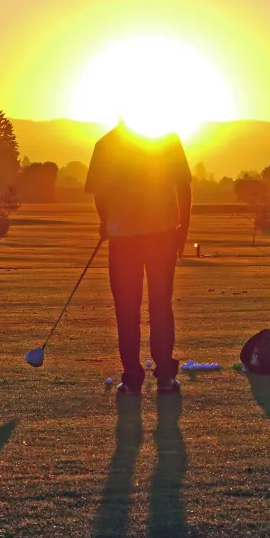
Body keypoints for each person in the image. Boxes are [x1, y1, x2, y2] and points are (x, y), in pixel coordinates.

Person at [85, 121, 192, 395]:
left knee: (127, 310)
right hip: (162, 235)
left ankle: (133, 378)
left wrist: (106, 221)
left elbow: (100, 196)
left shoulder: (106, 144)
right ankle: (165, 378)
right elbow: (184, 188)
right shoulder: (166, 138)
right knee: (159, 305)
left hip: (126, 239)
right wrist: (183, 229)